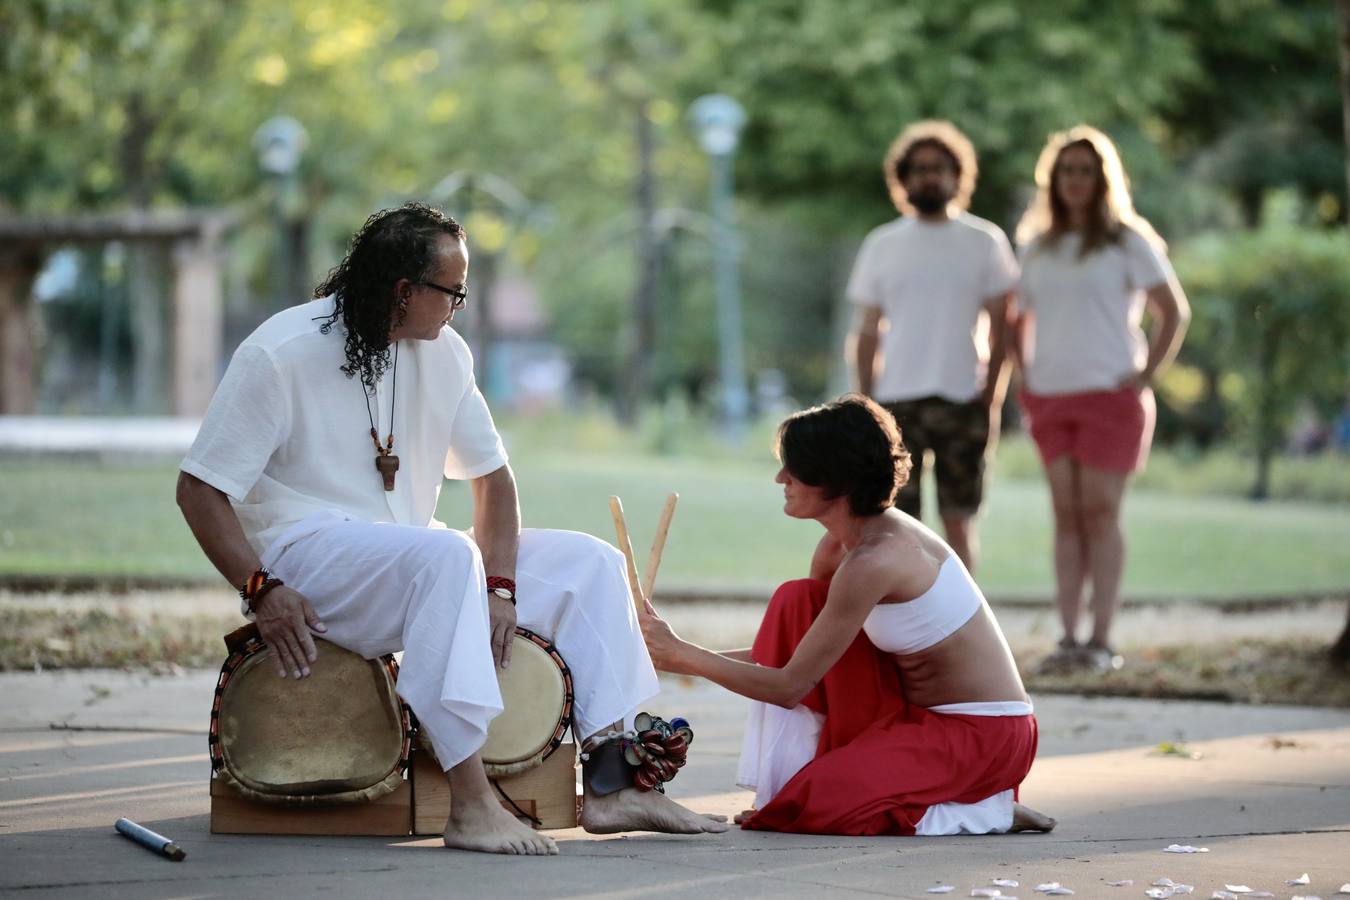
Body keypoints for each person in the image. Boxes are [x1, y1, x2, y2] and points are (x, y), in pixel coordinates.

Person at [176, 203, 727, 855]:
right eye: (453, 292)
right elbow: (199, 489)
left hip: (418, 550)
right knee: (443, 556)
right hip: (305, 557)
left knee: (592, 563)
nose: (460, 307)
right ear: (403, 290)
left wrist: (501, 588)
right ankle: (470, 806)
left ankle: (612, 784)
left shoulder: (446, 353)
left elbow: (494, 481)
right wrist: (261, 589)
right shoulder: (280, 351)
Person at [639, 395, 1055, 836]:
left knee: (809, 809)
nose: (780, 478)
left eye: (795, 468)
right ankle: (814, 786)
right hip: (915, 715)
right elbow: (794, 657)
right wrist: (671, 653)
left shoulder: (876, 559)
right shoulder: (841, 546)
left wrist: (682, 655)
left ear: (836, 477)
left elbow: (789, 686)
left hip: (983, 736)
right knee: (798, 600)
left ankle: (988, 811)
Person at [1012, 126, 1190, 673]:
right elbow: (1016, 319)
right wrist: (1024, 376)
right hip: (1050, 397)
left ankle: (1102, 640)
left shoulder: (1128, 242)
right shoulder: (1036, 247)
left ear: (1102, 179)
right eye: (1066, 170)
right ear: (1052, 179)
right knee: (1065, 515)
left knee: (1100, 511)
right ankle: (1068, 638)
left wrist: (1145, 374)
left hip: (1111, 396)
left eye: (1085, 171)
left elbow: (1173, 311)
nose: (1075, 180)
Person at [843, 120, 1019, 573]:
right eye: (919, 169)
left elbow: (1003, 329)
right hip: (895, 403)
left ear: (958, 177)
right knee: (896, 525)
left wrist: (991, 396)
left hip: (963, 398)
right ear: (903, 179)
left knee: (959, 522)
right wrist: (866, 406)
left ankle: (963, 615)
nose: (930, 177)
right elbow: (867, 331)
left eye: (940, 168)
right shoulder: (882, 244)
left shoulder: (984, 241)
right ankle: (907, 614)